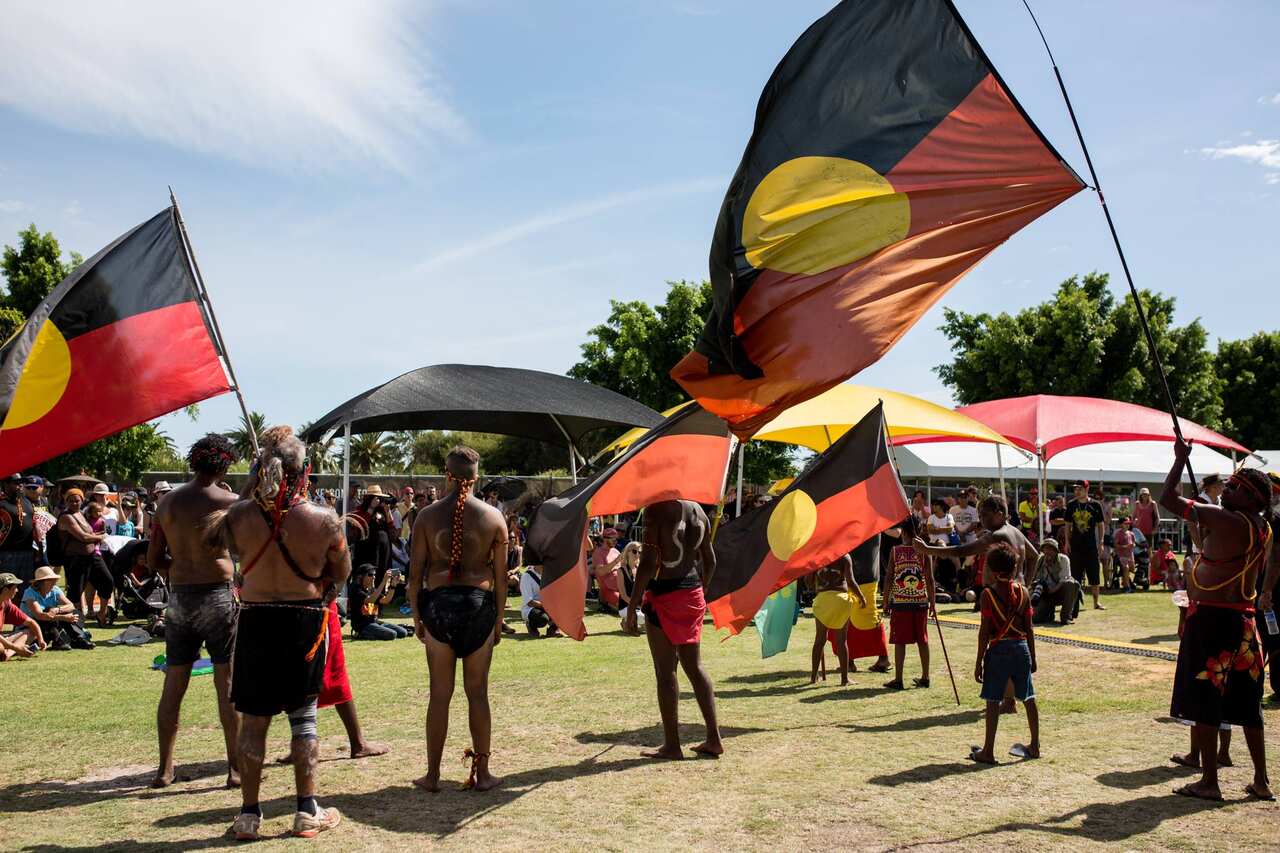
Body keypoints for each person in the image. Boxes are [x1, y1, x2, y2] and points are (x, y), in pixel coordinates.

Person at [209, 426, 350, 838]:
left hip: (255, 618)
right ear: (303, 472)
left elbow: (234, 539)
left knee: (253, 723)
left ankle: (249, 815)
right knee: (303, 721)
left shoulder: (237, 517)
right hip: (303, 621)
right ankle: (307, 810)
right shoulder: (324, 520)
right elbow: (338, 573)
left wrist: (257, 478)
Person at [1160, 442, 1275, 802]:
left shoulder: (1222, 517)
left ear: (1253, 500)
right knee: (1248, 703)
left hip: (1212, 623)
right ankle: (1261, 780)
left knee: (1205, 700)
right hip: (1243, 625)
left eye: (1238, 487)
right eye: (1230, 482)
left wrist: (1180, 461)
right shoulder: (1263, 528)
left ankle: (1209, 781)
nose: (1228, 488)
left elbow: (1168, 498)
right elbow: (1217, 550)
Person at [409, 446, 508, 793]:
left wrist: (419, 617)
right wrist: (497, 622)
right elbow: (500, 578)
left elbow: (414, 575)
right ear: (476, 477)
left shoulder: (425, 517)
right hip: (479, 607)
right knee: (477, 694)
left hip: (439, 607)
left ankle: (433, 775)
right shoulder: (494, 518)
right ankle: (482, 774)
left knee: (440, 695)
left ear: (446, 474)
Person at [145, 435, 242, 790]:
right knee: (226, 682)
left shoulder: (167, 503)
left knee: (174, 682)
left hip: (180, 597)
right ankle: (235, 768)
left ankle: (164, 768)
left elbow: (154, 559)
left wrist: (180, 565)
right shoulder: (230, 501)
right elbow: (246, 550)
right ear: (226, 465)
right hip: (217, 594)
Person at [623, 499, 722, 759]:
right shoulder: (698, 511)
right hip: (692, 592)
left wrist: (632, 607)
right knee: (695, 667)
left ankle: (672, 745)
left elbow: (647, 563)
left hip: (665, 595)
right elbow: (710, 561)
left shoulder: (656, 510)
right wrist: (701, 593)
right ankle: (713, 738)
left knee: (665, 672)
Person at [969, 543, 1039, 763]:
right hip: (1021, 648)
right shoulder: (1023, 592)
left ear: (990, 568)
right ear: (1014, 567)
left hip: (998, 650)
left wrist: (979, 660)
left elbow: (984, 632)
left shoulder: (988, 595)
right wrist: (1033, 657)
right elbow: (1029, 628)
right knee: (1028, 697)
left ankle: (988, 750)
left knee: (992, 699)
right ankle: (1035, 745)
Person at [883, 533, 934, 689]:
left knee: (900, 641)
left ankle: (898, 679)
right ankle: (925, 677)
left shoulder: (895, 551)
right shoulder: (925, 550)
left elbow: (889, 576)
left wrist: (885, 600)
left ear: (903, 533)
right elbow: (930, 578)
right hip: (920, 601)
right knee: (922, 639)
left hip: (900, 601)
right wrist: (933, 601)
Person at [808, 554, 867, 685]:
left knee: (820, 639)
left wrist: (818, 585)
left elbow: (808, 581)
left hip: (822, 600)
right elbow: (850, 581)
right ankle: (844, 679)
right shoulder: (844, 556)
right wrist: (861, 597)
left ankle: (813, 676)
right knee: (841, 641)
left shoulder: (816, 556)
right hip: (840, 599)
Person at [57, 489, 112, 618]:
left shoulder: (81, 514)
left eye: (77, 500)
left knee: (108, 581)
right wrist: (102, 537)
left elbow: (90, 534)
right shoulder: (66, 517)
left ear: (82, 500)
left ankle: (102, 613)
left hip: (92, 556)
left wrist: (99, 535)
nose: (74, 503)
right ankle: (74, 620)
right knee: (75, 592)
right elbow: (83, 537)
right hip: (75, 559)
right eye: (71, 501)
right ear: (66, 502)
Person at [21, 565, 91, 650]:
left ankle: (77, 639)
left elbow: (71, 605)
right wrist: (63, 617)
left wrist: (58, 609)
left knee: (74, 612)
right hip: (31, 628)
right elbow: (39, 615)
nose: (55, 581)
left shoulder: (55, 589)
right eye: (52, 580)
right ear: (43, 581)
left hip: (47, 624)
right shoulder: (30, 593)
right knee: (48, 611)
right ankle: (58, 641)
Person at [1065, 481, 1106, 612]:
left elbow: (1101, 525)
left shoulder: (1095, 505)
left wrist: (1101, 542)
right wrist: (1067, 542)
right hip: (1076, 545)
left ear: (1086, 489)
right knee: (1075, 575)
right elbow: (1067, 525)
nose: (1077, 491)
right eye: (1076, 489)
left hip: (1091, 545)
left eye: (1080, 489)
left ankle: (1096, 602)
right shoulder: (1071, 505)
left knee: (1094, 575)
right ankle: (1073, 603)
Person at [348, 564, 409, 640]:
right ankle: (360, 634)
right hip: (362, 625)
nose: (373, 577)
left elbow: (386, 600)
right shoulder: (355, 588)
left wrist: (393, 585)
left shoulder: (372, 589)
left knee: (403, 632)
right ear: (360, 576)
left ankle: (375, 632)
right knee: (392, 634)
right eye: (370, 575)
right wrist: (384, 581)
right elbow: (370, 600)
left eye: (374, 574)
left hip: (374, 622)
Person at [0, 473, 39, 593]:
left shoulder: (26, 501)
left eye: (21, 483)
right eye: (16, 483)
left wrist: (39, 548)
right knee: (6, 590)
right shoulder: (1, 504)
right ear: (5, 484)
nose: (20, 486)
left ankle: (21, 612)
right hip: (7, 554)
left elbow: (34, 525)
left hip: (27, 553)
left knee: (26, 591)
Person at [1030, 539, 1077, 625]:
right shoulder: (1040, 560)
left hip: (1059, 592)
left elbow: (1064, 579)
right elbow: (1034, 578)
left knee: (1071, 584)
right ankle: (1048, 613)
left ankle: (1066, 617)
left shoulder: (1063, 559)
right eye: (1046, 548)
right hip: (1044, 593)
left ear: (1056, 551)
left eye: (1051, 549)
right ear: (1043, 550)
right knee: (1035, 618)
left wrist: (1052, 590)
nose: (1048, 551)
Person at [0, 572, 45, 660]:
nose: (17, 591)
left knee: (32, 632)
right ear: (5, 590)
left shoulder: (6, 603)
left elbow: (31, 622)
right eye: (15, 588)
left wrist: (41, 640)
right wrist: (16, 648)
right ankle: (11, 651)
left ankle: (7, 654)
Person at [519, 563, 560, 638]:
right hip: (531, 608)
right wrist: (547, 606)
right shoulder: (526, 577)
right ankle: (531, 625)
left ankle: (553, 628)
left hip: (547, 605)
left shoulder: (551, 574)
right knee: (542, 619)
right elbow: (530, 602)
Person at [591, 528, 625, 615]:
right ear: (605, 539)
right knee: (623, 608)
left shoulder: (616, 551)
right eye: (613, 539)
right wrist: (616, 562)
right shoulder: (598, 553)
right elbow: (600, 572)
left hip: (622, 587)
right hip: (609, 590)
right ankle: (606, 604)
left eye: (617, 539)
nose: (616, 541)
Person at [1114, 517, 1137, 593]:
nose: (1127, 525)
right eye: (1125, 524)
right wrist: (1125, 546)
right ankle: (1127, 587)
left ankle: (1125, 581)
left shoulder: (1131, 534)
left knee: (1132, 569)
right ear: (1121, 525)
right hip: (1122, 555)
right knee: (1126, 568)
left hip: (1130, 554)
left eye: (1128, 524)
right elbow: (1116, 545)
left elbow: (1134, 543)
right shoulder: (1118, 534)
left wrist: (1133, 545)